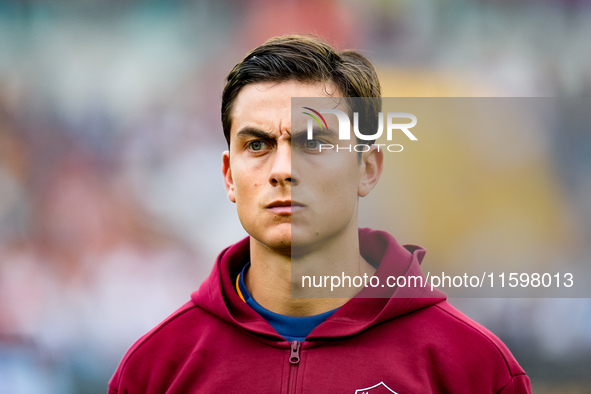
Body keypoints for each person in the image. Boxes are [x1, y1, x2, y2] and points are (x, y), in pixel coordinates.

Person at [109, 35, 531, 393]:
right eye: (257, 145)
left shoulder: (474, 369)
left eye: (313, 143)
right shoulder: (155, 370)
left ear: (367, 168)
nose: (283, 170)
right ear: (229, 176)